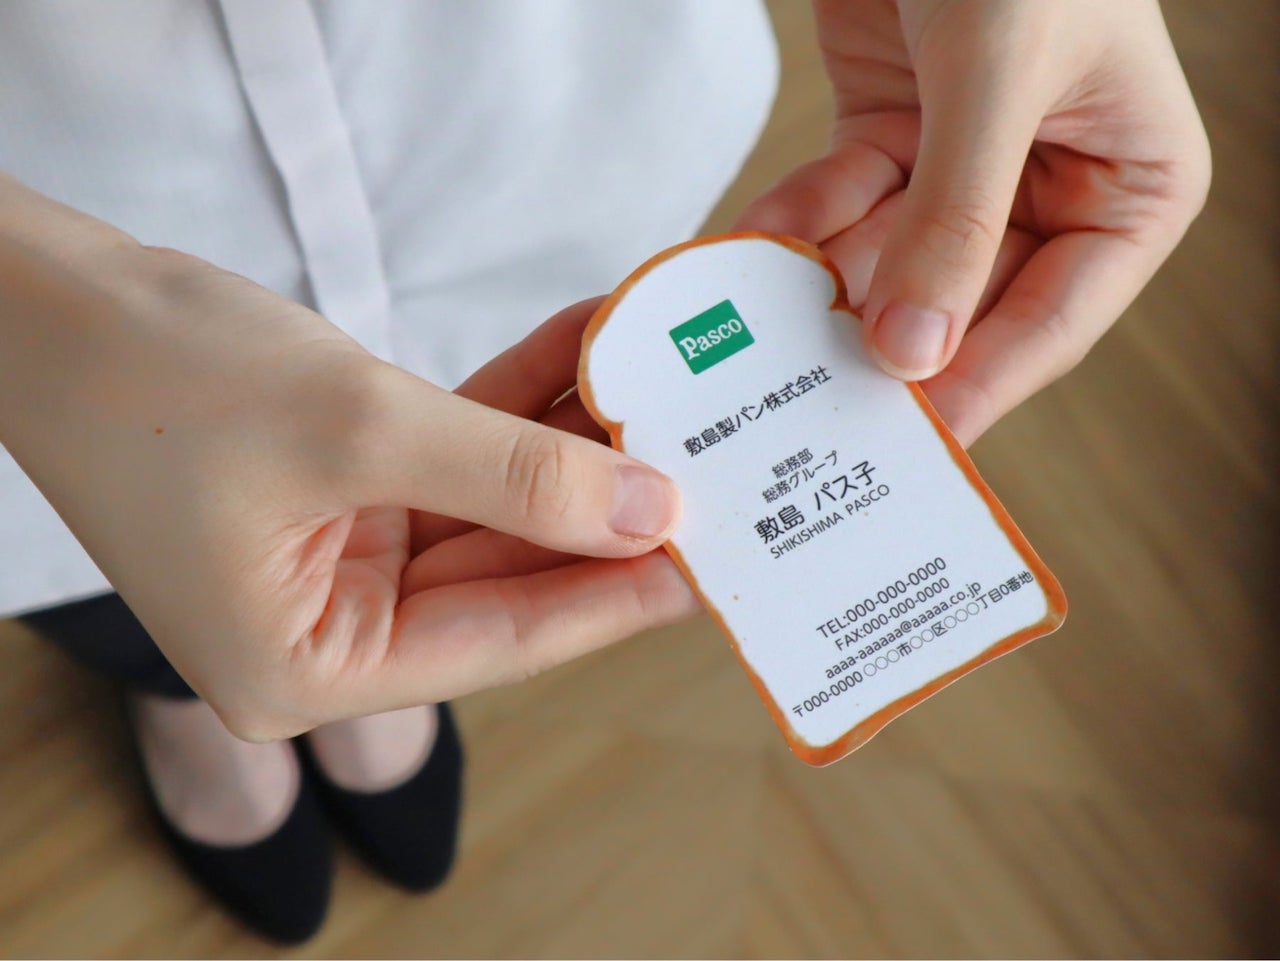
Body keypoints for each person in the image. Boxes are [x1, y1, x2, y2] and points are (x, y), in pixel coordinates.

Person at [0, 0, 1209, 945]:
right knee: (97, 534)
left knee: (555, 400)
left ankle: (328, 682)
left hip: (548, 112)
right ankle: (171, 684)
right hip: (61, 180)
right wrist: (38, 305)